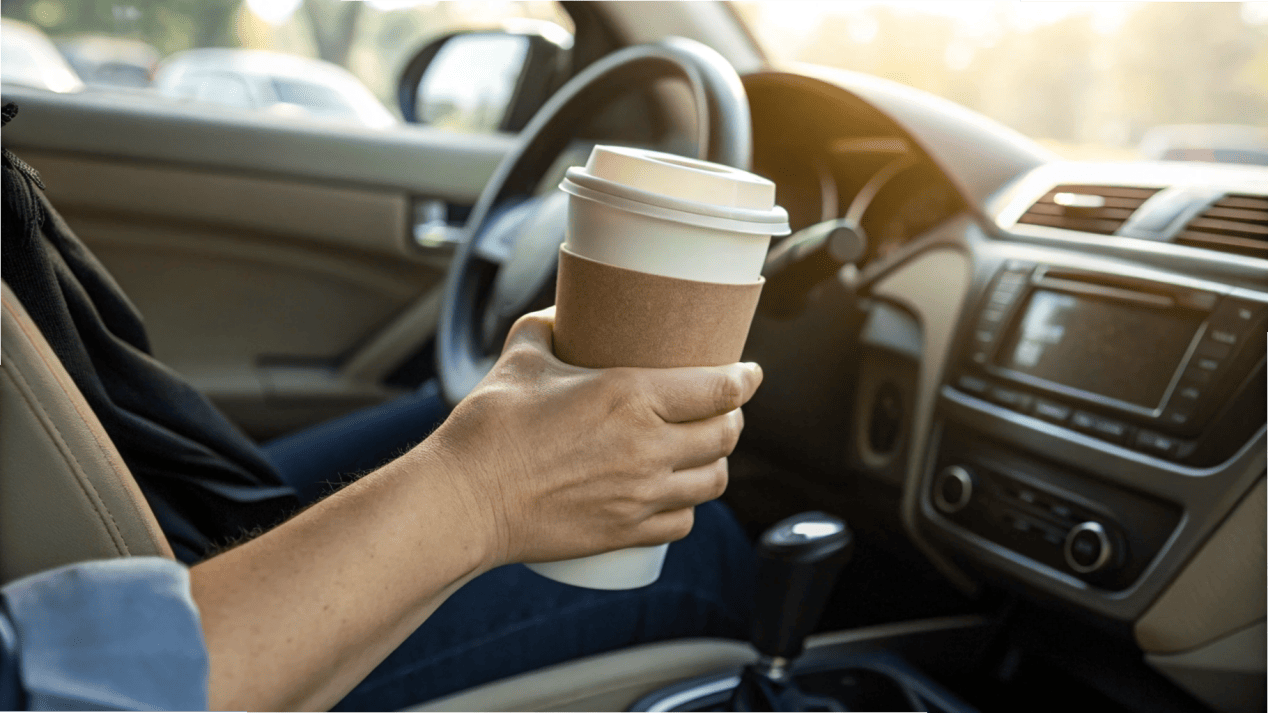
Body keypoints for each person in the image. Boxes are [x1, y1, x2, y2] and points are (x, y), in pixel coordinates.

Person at [0, 103, 761, 711]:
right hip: (139, 628)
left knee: (436, 411)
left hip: (140, 508)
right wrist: (485, 488)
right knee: (699, 548)